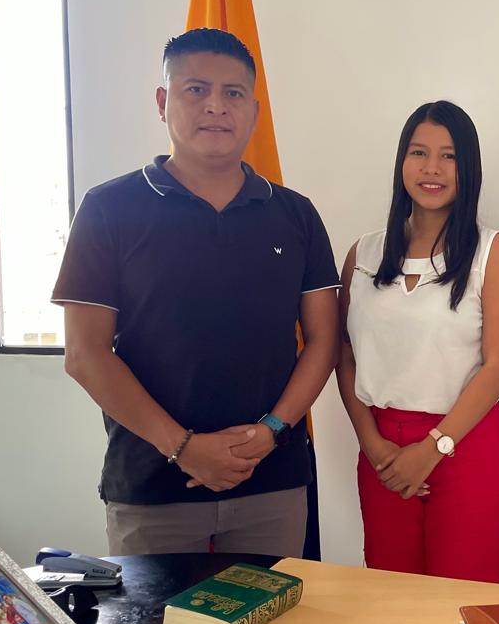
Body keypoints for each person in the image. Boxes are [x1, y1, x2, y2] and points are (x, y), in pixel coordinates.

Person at [53, 28, 340, 557]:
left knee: (277, 614)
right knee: (152, 617)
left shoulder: (295, 214)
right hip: (152, 489)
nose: (215, 106)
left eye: (233, 93)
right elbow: (85, 353)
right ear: (163, 102)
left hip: (272, 482)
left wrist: (271, 431)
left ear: (254, 111)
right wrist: (183, 448)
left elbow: (324, 339)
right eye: (196, 89)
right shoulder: (109, 209)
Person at [337, 100, 499, 582]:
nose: (432, 168)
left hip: (465, 442)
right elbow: (345, 353)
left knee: (461, 600)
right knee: (390, 597)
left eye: (449, 156)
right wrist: (371, 443)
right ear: (402, 161)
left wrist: (433, 447)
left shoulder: (493, 252)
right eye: (419, 153)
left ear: (468, 167)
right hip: (382, 450)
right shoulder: (364, 253)